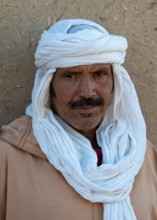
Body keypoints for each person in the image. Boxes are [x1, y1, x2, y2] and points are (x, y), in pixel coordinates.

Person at [0, 18, 156, 220]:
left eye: (99, 74)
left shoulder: (143, 157)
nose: (87, 92)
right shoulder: (9, 157)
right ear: (48, 86)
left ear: (115, 82)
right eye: (71, 76)